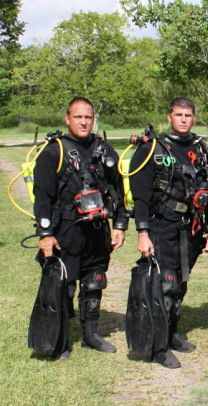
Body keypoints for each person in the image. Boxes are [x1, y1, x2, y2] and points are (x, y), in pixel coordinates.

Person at [31, 97, 128, 359]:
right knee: (64, 284)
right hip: (66, 229)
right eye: (78, 117)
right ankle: (59, 339)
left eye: (88, 117)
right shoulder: (54, 151)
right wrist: (45, 235)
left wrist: (120, 224)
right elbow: (42, 197)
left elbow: (117, 189)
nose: (83, 122)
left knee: (94, 282)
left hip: (97, 228)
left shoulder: (104, 149)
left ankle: (90, 335)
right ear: (67, 119)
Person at [130, 97, 208, 368]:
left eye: (188, 115)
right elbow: (140, 196)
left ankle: (172, 332)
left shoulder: (200, 149)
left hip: (191, 226)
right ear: (169, 117)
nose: (183, 119)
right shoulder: (151, 149)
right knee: (164, 284)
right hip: (161, 224)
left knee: (179, 283)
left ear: (194, 118)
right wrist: (142, 232)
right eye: (178, 114)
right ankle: (160, 346)